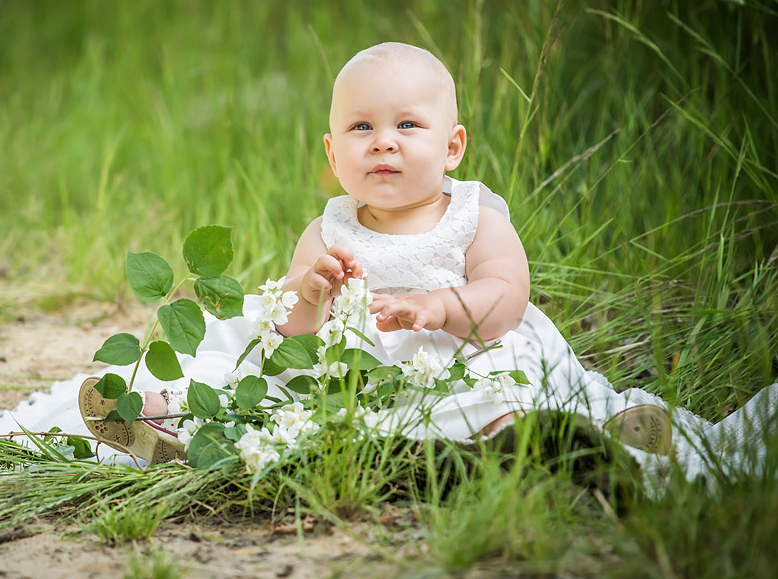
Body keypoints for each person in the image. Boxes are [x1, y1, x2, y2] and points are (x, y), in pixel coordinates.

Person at [78, 42, 671, 464]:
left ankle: (548, 439)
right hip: (353, 371)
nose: (384, 140)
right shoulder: (329, 228)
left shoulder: (474, 216)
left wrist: (440, 306)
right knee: (268, 382)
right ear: (334, 157)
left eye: (408, 124)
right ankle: (160, 415)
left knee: (504, 387)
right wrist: (309, 289)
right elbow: (290, 327)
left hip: (458, 350)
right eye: (362, 127)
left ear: (452, 146)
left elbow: (508, 298)